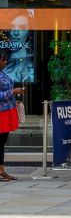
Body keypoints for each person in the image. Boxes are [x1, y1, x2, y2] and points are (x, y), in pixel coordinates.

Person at [0, 49, 24, 181]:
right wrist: (13, 91)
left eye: (5, 59)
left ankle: (1, 170)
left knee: (2, 142)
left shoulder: (2, 73)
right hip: (1, 113)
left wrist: (15, 99)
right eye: (2, 59)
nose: (5, 62)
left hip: (6, 111)